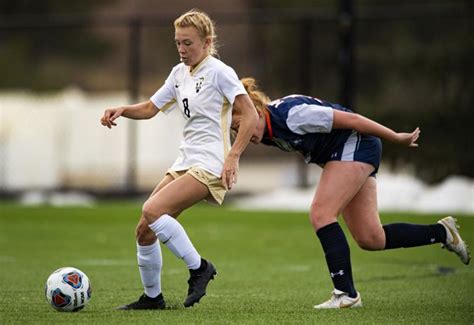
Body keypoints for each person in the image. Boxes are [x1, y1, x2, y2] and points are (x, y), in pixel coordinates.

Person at [233, 77, 471, 309]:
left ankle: (346, 294)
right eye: (235, 130)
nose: (240, 133)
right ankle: (442, 232)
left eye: (239, 125)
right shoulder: (265, 131)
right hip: (346, 152)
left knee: (321, 214)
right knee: (371, 238)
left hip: (357, 143)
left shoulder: (292, 115)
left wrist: (395, 137)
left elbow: (353, 120)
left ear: (254, 109)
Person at [100, 10, 258, 310]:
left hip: (211, 163)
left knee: (152, 209)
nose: (182, 50)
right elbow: (150, 107)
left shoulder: (220, 72)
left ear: (207, 42)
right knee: (144, 229)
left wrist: (233, 157)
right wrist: (122, 109)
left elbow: (250, 114)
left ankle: (200, 268)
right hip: (186, 159)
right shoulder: (178, 73)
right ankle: (152, 298)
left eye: (188, 43)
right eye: (178, 43)